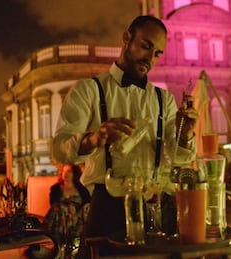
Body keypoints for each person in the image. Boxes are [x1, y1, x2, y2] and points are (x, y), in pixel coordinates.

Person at [52, 15, 197, 255]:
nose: (150, 58)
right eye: (146, 46)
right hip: (107, 208)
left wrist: (186, 134)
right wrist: (94, 138)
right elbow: (59, 148)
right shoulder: (89, 90)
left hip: (156, 206)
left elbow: (178, 158)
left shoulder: (165, 99)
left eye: (158, 53)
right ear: (126, 38)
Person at [43, 163, 91, 251]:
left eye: (69, 171)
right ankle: (61, 244)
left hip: (77, 218)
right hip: (60, 218)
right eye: (64, 171)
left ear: (75, 174)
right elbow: (53, 204)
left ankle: (72, 246)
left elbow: (87, 202)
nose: (65, 174)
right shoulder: (56, 189)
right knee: (61, 209)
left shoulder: (81, 189)